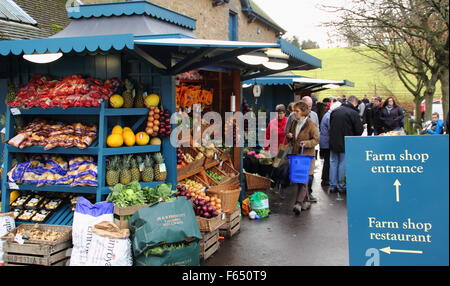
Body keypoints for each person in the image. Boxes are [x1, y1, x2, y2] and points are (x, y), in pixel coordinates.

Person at [286, 101, 319, 215]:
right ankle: (306, 200)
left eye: (297, 111)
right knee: (299, 180)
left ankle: (298, 203)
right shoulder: (294, 123)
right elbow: (291, 138)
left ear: (304, 112)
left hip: (307, 157)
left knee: (303, 179)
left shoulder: (311, 124)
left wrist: (307, 143)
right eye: (294, 111)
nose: (295, 113)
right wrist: (289, 136)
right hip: (296, 155)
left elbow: (316, 140)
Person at [329, 96, 364, 193]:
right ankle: (341, 185)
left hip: (333, 141)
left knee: (333, 162)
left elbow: (330, 126)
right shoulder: (353, 113)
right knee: (343, 164)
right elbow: (359, 130)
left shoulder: (335, 111)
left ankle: (332, 185)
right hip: (346, 142)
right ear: (355, 103)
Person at [300, 96, 319, 203]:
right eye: (308, 106)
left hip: (310, 150)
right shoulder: (294, 116)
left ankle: (309, 193)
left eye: (311, 106)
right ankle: (302, 197)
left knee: (310, 174)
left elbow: (317, 132)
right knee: (300, 174)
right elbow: (288, 131)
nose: (310, 108)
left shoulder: (314, 116)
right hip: (298, 151)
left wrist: (310, 143)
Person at [319, 101, 341, 187]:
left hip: (325, 142)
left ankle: (325, 179)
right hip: (327, 142)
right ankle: (325, 179)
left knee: (327, 161)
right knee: (328, 161)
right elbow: (331, 129)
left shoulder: (327, 114)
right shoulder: (329, 116)